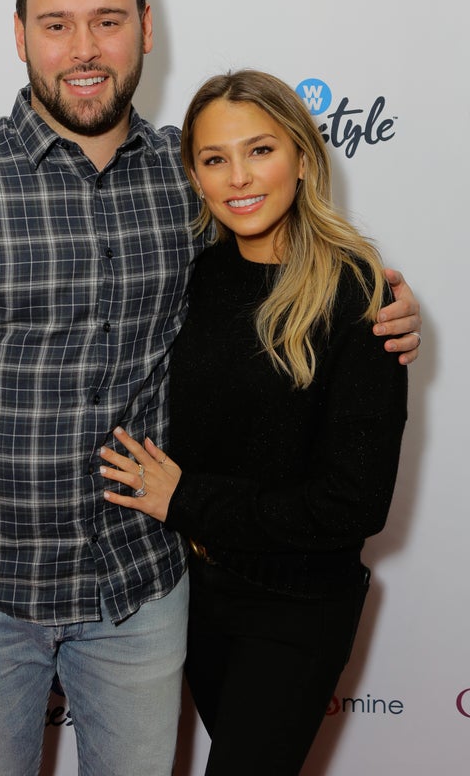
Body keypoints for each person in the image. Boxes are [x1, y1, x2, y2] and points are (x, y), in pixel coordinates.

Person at [0, 0, 419, 776]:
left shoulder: (184, 180)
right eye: (56, 24)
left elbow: (274, 254)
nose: (84, 50)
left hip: (142, 589)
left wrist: (380, 300)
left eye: (107, 21)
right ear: (19, 35)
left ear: (146, 29)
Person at [100, 69, 409, 775]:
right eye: (214, 159)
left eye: (261, 150)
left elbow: (354, 503)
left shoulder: (357, 293)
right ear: (196, 177)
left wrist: (187, 501)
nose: (239, 176)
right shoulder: (193, 278)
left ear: (303, 158)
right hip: (195, 598)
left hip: (297, 608)